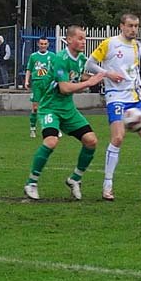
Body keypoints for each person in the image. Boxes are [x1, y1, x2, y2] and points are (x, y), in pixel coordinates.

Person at [23, 26, 106, 201]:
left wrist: (104, 77)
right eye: (80, 38)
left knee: (91, 141)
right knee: (51, 141)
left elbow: (79, 76)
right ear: (69, 40)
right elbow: (65, 87)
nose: (83, 42)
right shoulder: (60, 58)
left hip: (68, 109)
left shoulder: (81, 58)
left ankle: (74, 179)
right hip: (50, 107)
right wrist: (90, 82)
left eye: (85, 38)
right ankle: (31, 182)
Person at [86, 13, 141, 202]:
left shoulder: (137, 46)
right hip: (116, 97)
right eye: (130, 26)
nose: (134, 29)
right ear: (121, 26)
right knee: (118, 138)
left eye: (136, 26)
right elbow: (90, 64)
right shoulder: (110, 43)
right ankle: (107, 186)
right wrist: (108, 74)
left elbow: (133, 70)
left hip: (134, 97)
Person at [24, 36, 56, 138]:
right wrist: (26, 81)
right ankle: (32, 128)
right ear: (38, 44)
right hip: (37, 84)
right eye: (41, 44)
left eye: (45, 44)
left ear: (48, 45)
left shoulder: (52, 56)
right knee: (35, 108)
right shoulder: (33, 56)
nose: (43, 46)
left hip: (48, 84)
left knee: (51, 107)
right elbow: (29, 69)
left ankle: (54, 129)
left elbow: (56, 69)